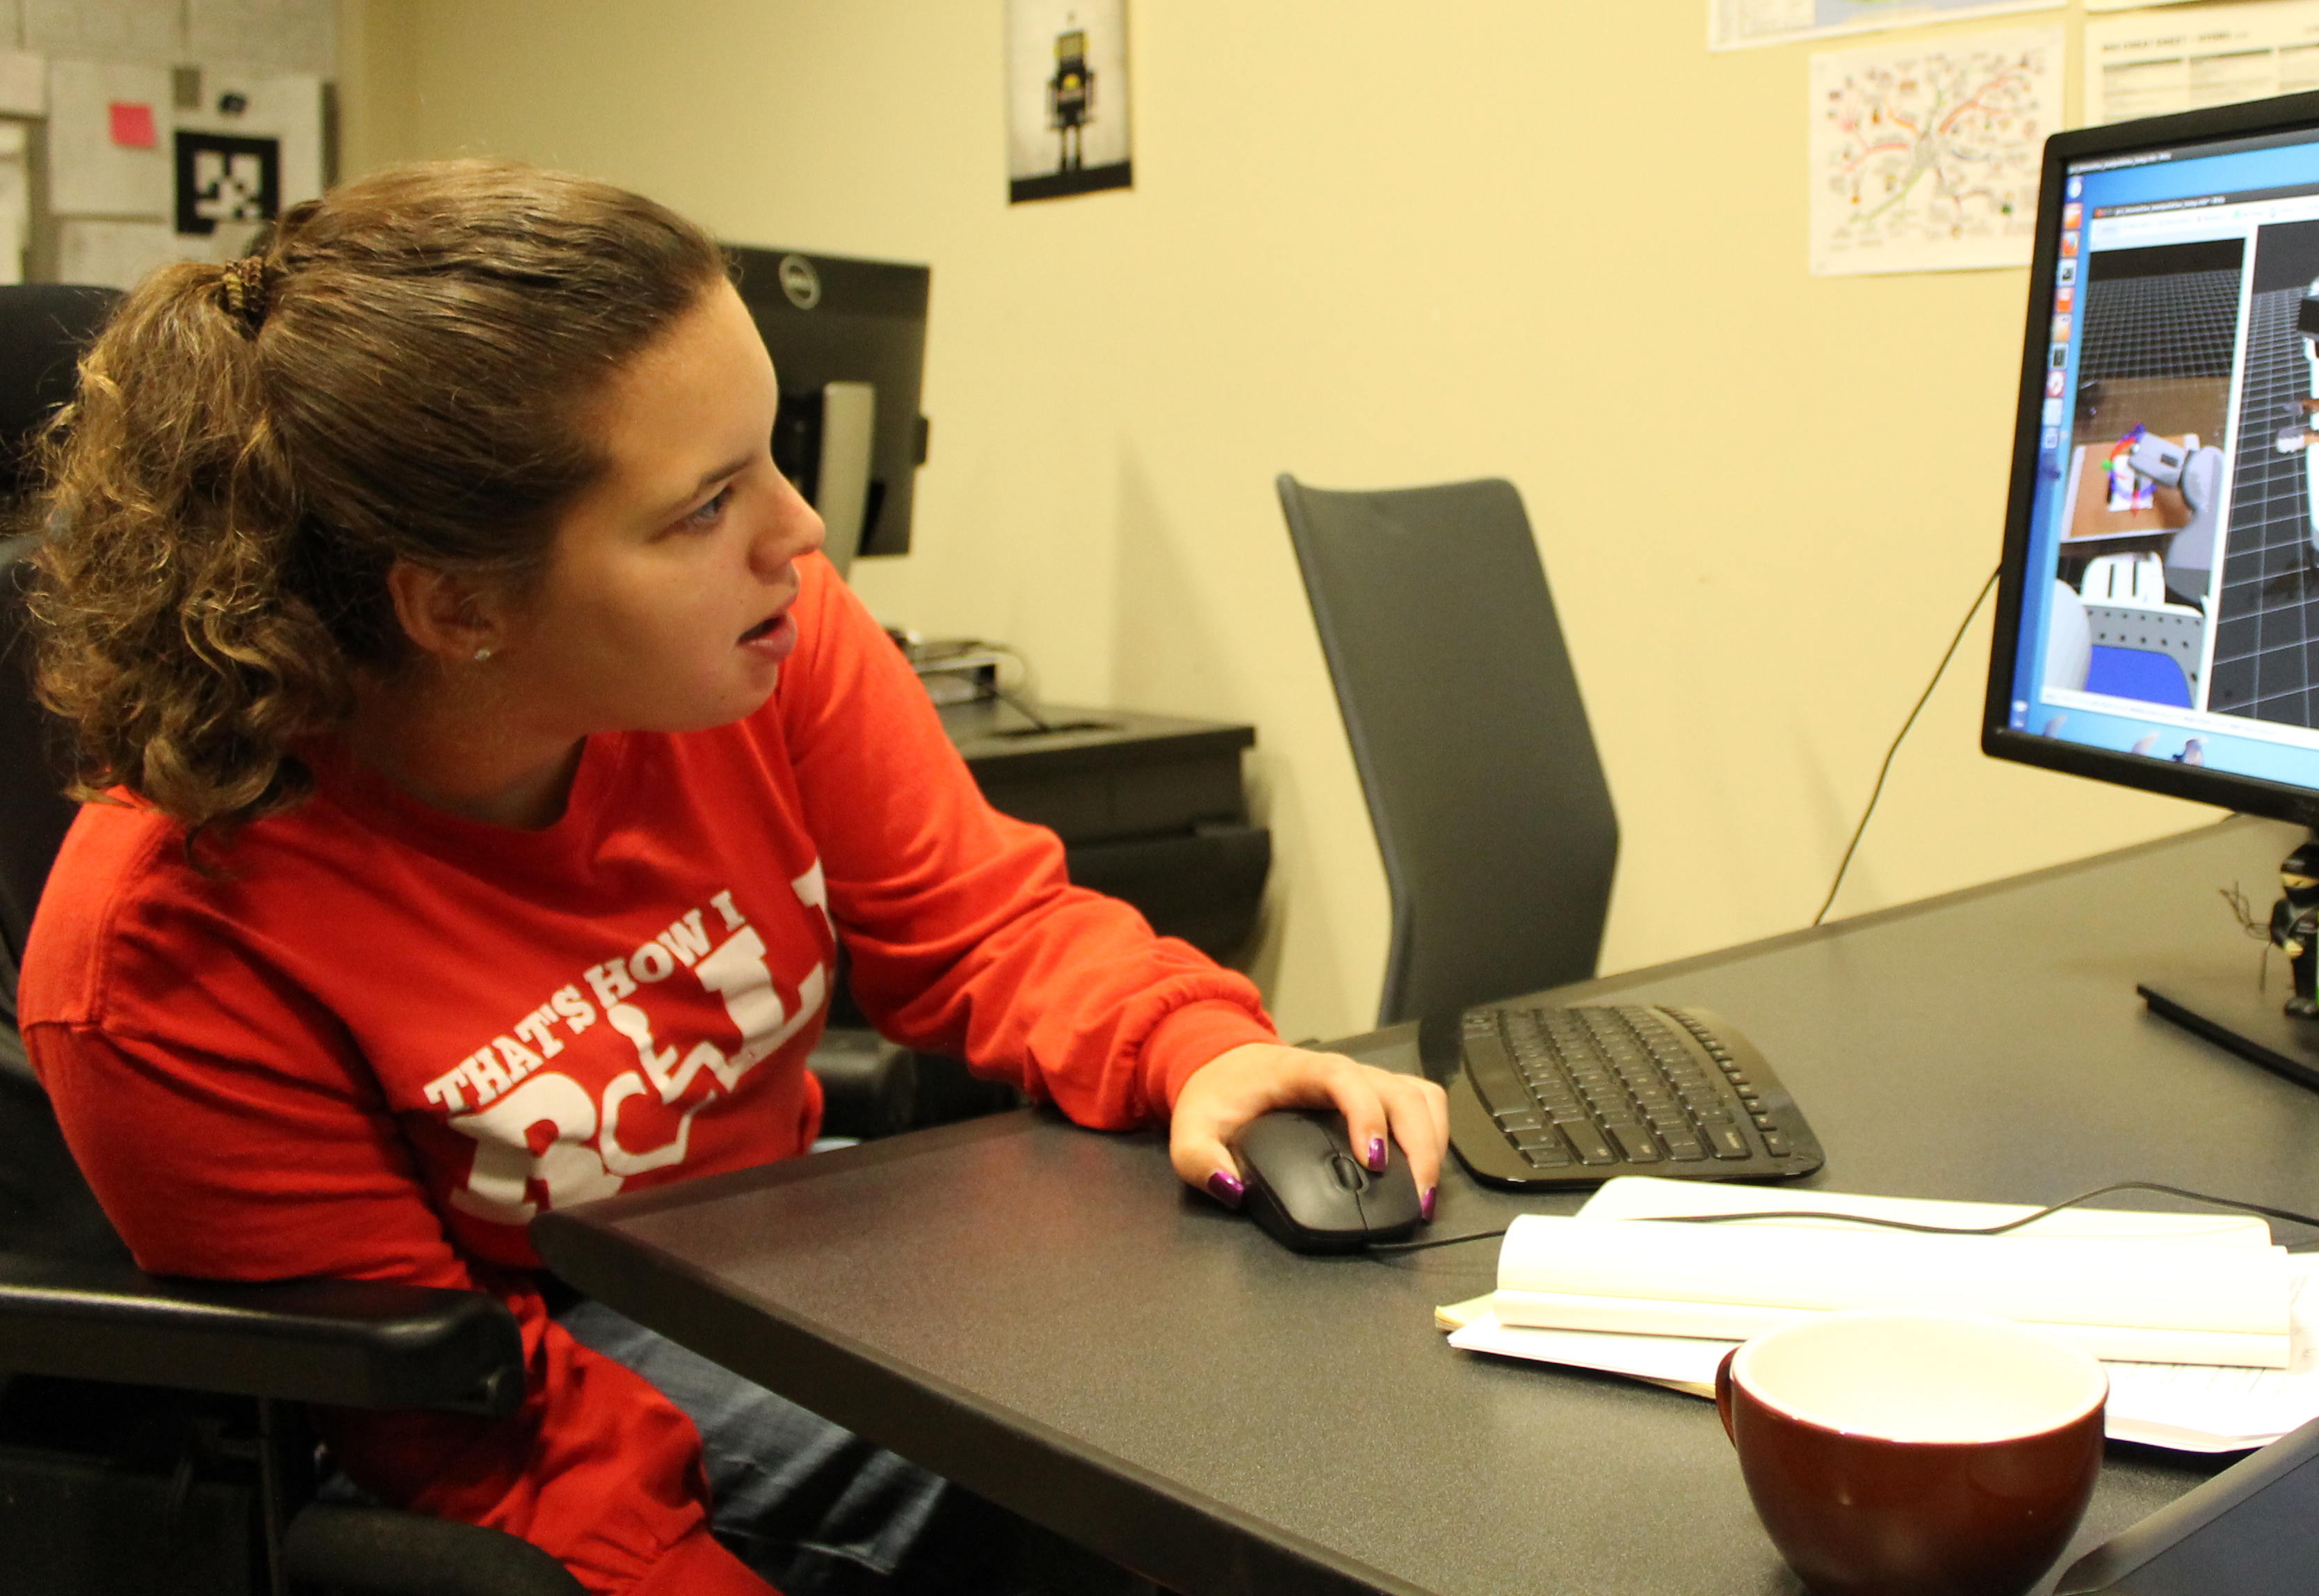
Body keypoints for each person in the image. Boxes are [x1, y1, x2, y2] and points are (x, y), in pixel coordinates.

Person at [13, 161, 1447, 1595]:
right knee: (1146, 1503)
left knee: (1295, 1374)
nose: (799, 532)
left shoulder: (763, 636)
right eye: (706, 505)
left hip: (780, 1247)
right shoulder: (160, 944)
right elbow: (463, 1427)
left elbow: (986, 927)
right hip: (540, 1360)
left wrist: (1197, 1048)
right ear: (459, 604)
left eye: (770, 456)